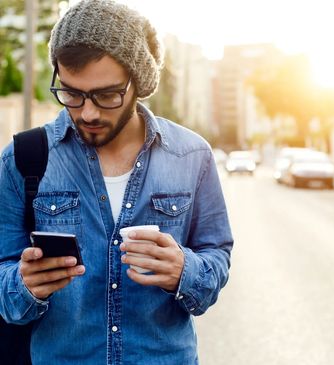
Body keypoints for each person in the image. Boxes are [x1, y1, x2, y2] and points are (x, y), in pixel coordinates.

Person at [0, 1, 233, 364]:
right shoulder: (22, 158)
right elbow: (3, 282)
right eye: (71, 93)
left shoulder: (192, 156)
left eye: (107, 95)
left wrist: (185, 272)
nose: (87, 112)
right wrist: (23, 286)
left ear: (137, 82)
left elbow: (216, 255)